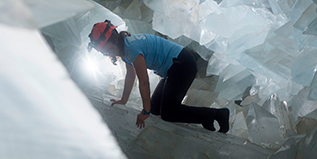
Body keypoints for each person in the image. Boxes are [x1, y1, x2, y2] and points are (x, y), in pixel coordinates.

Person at [88, 20, 229, 132]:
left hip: (182, 64)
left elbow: (143, 81)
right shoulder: (126, 48)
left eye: (106, 51)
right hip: (173, 67)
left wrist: (145, 110)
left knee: (169, 113)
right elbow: (130, 75)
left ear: (112, 43)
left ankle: (215, 115)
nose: (108, 55)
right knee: (155, 108)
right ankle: (206, 117)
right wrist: (123, 100)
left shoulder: (131, 48)